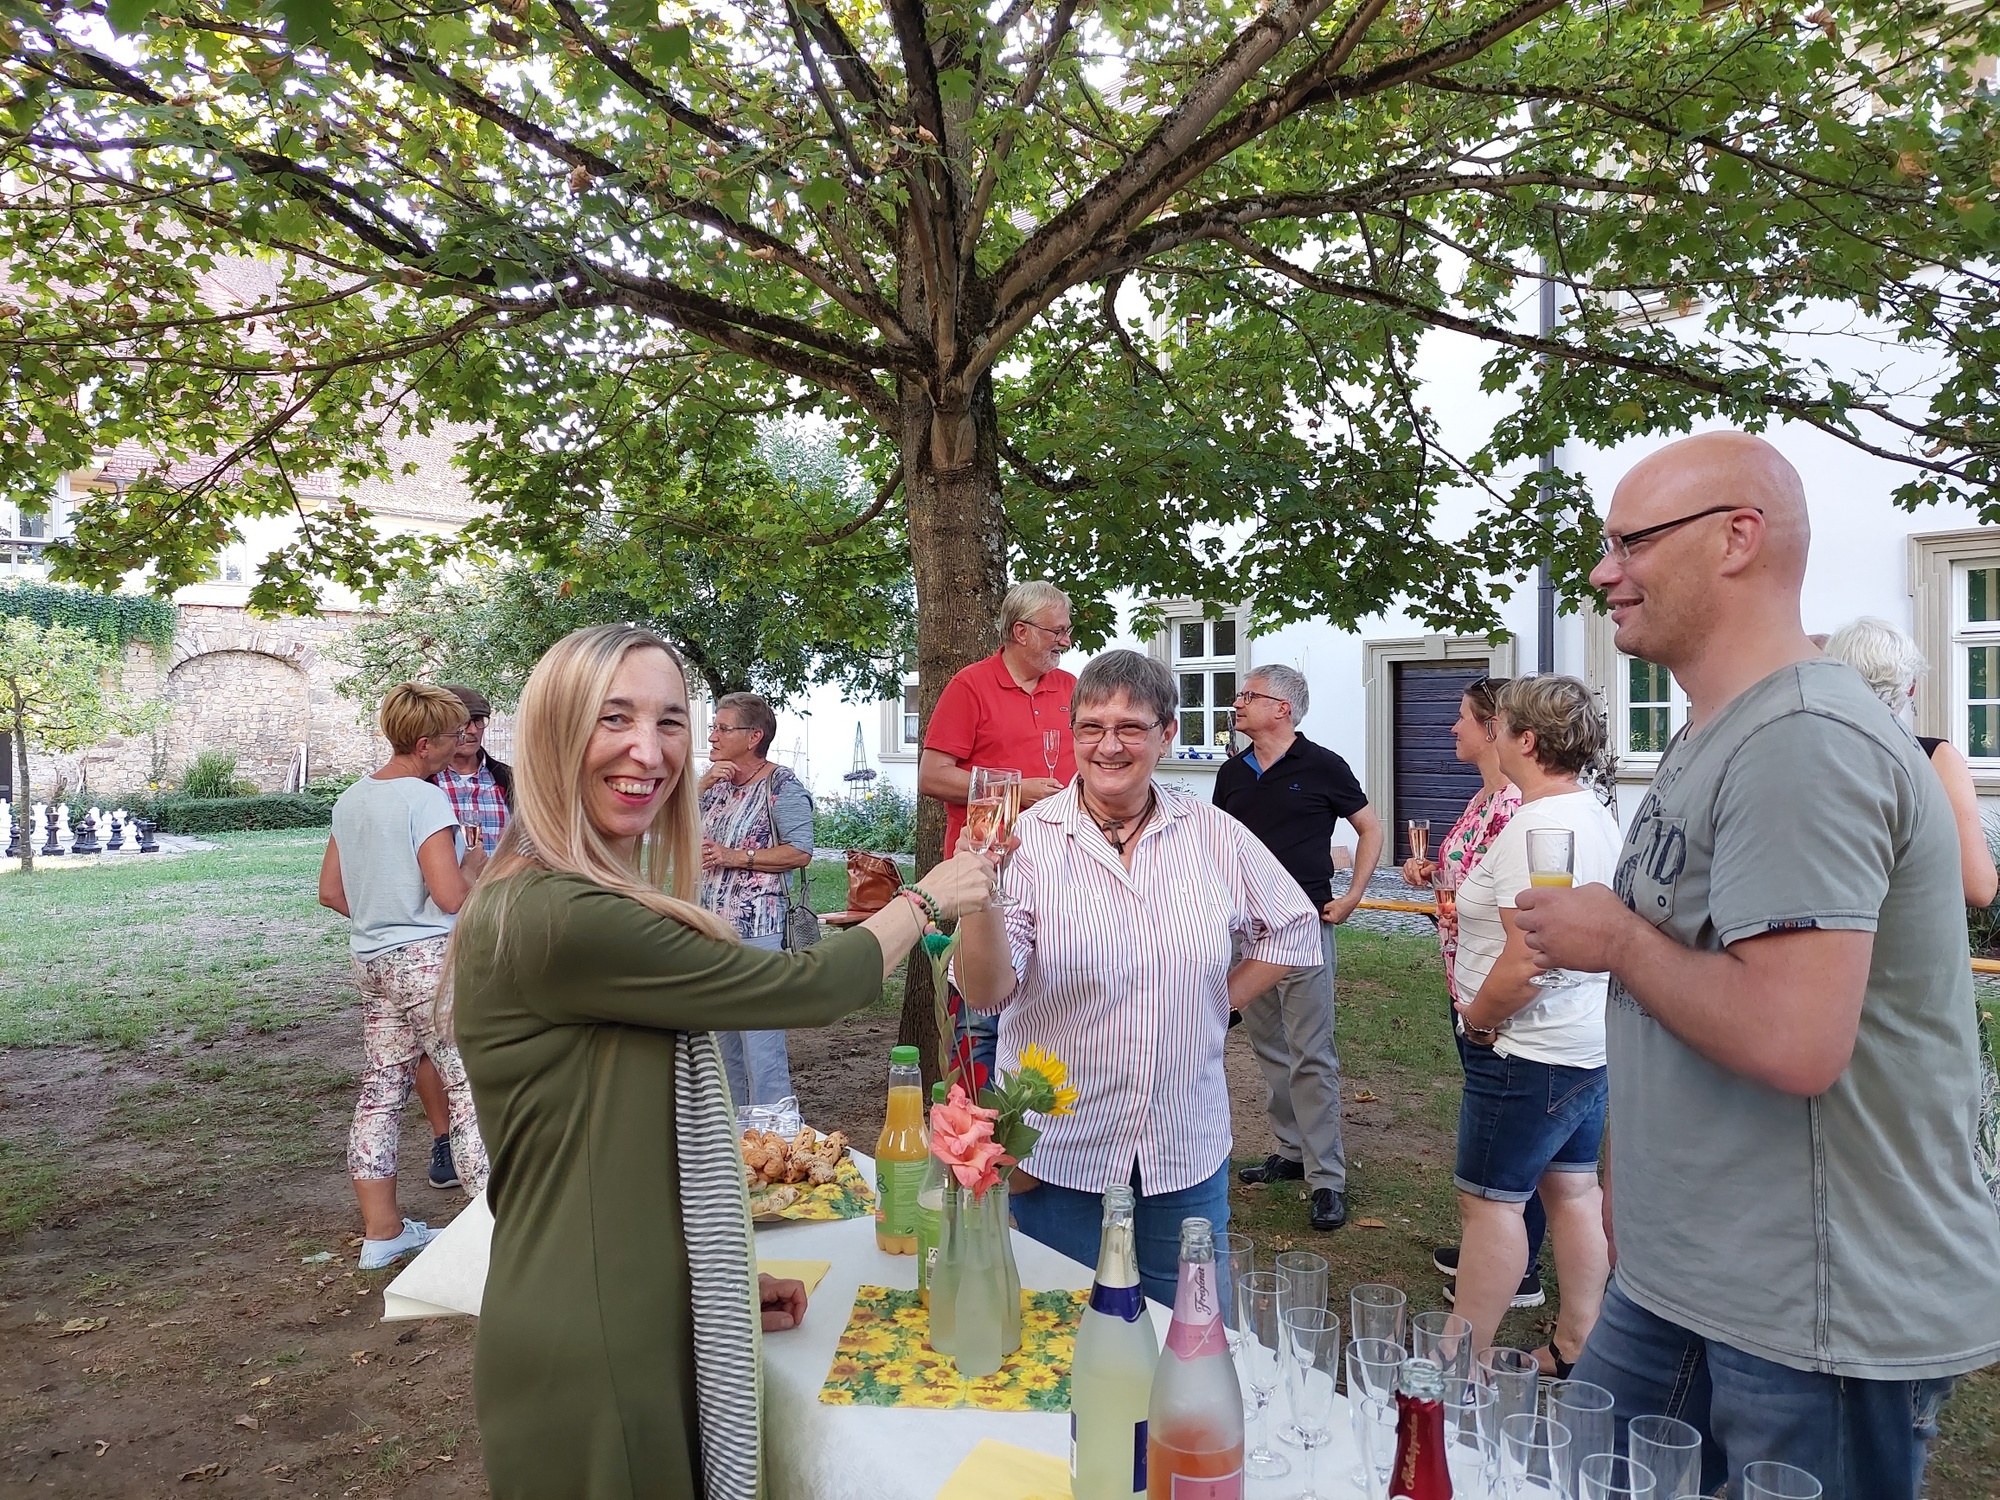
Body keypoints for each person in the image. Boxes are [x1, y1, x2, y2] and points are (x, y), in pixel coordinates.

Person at [1516, 432, 2000, 1496]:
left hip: (1811, 1309)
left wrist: (1615, 940)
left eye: (1630, 542)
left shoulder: (1802, 739)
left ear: (1737, 538)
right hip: (1689, 1279)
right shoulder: (1717, 731)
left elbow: (1792, 1040)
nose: (1602, 572)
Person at [443, 624, 994, 1500]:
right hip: (594, 1338)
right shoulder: (558, 912)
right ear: (552, 733)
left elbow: (622, 1156)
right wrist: (927, 898)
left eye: (671, 722)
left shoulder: (565, 891)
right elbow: (806, 986)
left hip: (627, 1300)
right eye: (613, 717)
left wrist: (716, 1285)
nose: (648, 749)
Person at [953, 649, 1321, 1303]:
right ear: (1072, 735)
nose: (1109, 745)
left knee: (1189, 1330)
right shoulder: (1026, 842)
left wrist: (1218, 1001)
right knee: (1064, 1334)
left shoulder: (1212, 834)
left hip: (1183, 1144)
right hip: (1062, 1149)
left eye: (1130, 727)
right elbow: (985, 994)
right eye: (1091, 727)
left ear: (1167, 733)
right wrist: (981, 893)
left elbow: (1292, 927)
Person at [1446, 675, 1618, 1369]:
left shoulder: (1538, 825)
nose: (1489, 736)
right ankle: (1578, 1343)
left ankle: (1458, 1363)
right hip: (1582, 1042)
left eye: (1499, 726)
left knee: (1490, 1204)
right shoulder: (1593, 812)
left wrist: (1481, 1022)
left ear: (1525, 740)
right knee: (1573, 1189)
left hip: (1527, 1047)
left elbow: (1530, 957)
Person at [317, 682, 490, 1270]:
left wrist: (384, 918)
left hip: (370, 960)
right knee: (469, 1084)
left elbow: (331, 892)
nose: (461, 742)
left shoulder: (351, 799)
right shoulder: (425, 799)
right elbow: (450, 896)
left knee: (381, 1090)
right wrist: (474, 867)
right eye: (452, 736)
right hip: (428, 963)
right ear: (423, 744)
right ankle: (494, 1232)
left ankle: (383, 1232)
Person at [1211, 664, 1383, 1231]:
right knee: (1269, 1048)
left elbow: (1370, 828)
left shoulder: (1323, 765)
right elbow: (1218, 847)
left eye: (1249, 695)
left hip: (1306, 927)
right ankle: (1290, 1150)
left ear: (1282, 708)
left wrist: (1354, 894)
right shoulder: (1232, 773)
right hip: (1248, 934)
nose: (1237, 702)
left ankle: (1327, 1178)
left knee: (1312, 1053)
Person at [1396, 677, 1544, 1310]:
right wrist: (1432, 873)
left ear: (1492, 727)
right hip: (1464, 977)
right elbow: (1472, 879)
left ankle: (1519, 1267)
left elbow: (1514, 906)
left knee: (1511, 1138)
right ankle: (1494, 1249)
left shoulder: (1513, 805)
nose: (1450, 727)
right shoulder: (1484, 797)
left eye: (1461, 717)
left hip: (1495, 992)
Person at [919, 580, 1079, 1080]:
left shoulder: (1071, 688)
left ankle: (1035, 1109)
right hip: (989, 866)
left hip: (1062, 863)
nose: (1066, 641)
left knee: (1055, 994)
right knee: (978, 1013)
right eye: (1057, 631)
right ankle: (971, 1119)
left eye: (1067, 631)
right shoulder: (970, 686)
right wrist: (1016, 791)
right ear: (1020, 631)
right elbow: (932, 776)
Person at [411, 683, 514, 1190]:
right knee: (437, 1037)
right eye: (462, 722)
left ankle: (505, 1132)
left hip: (504, 920)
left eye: (479, 720)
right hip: (440, 926)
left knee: (506, 1027)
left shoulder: (507, 779)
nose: (471, 730)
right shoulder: (422, 783)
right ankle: (444, 1139)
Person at [1823, 616, 1997, 907]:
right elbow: (1978, 886)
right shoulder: (1936, 758)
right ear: (1911, 687)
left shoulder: (1806, 756)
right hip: (1906, 930)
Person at [698, 689, 815, 1107]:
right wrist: (699, 786)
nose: (712, 736)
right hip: (710, 931)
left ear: (753, 737)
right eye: (713, 727)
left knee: (761, 1047)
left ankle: (775, 1131)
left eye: (722, 728)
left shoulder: (781, 784)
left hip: (758, 931)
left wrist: (736, 857)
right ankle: (732, 1133)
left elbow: (800, 851)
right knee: (722, 1045)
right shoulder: (714, 784)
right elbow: (672, 830)